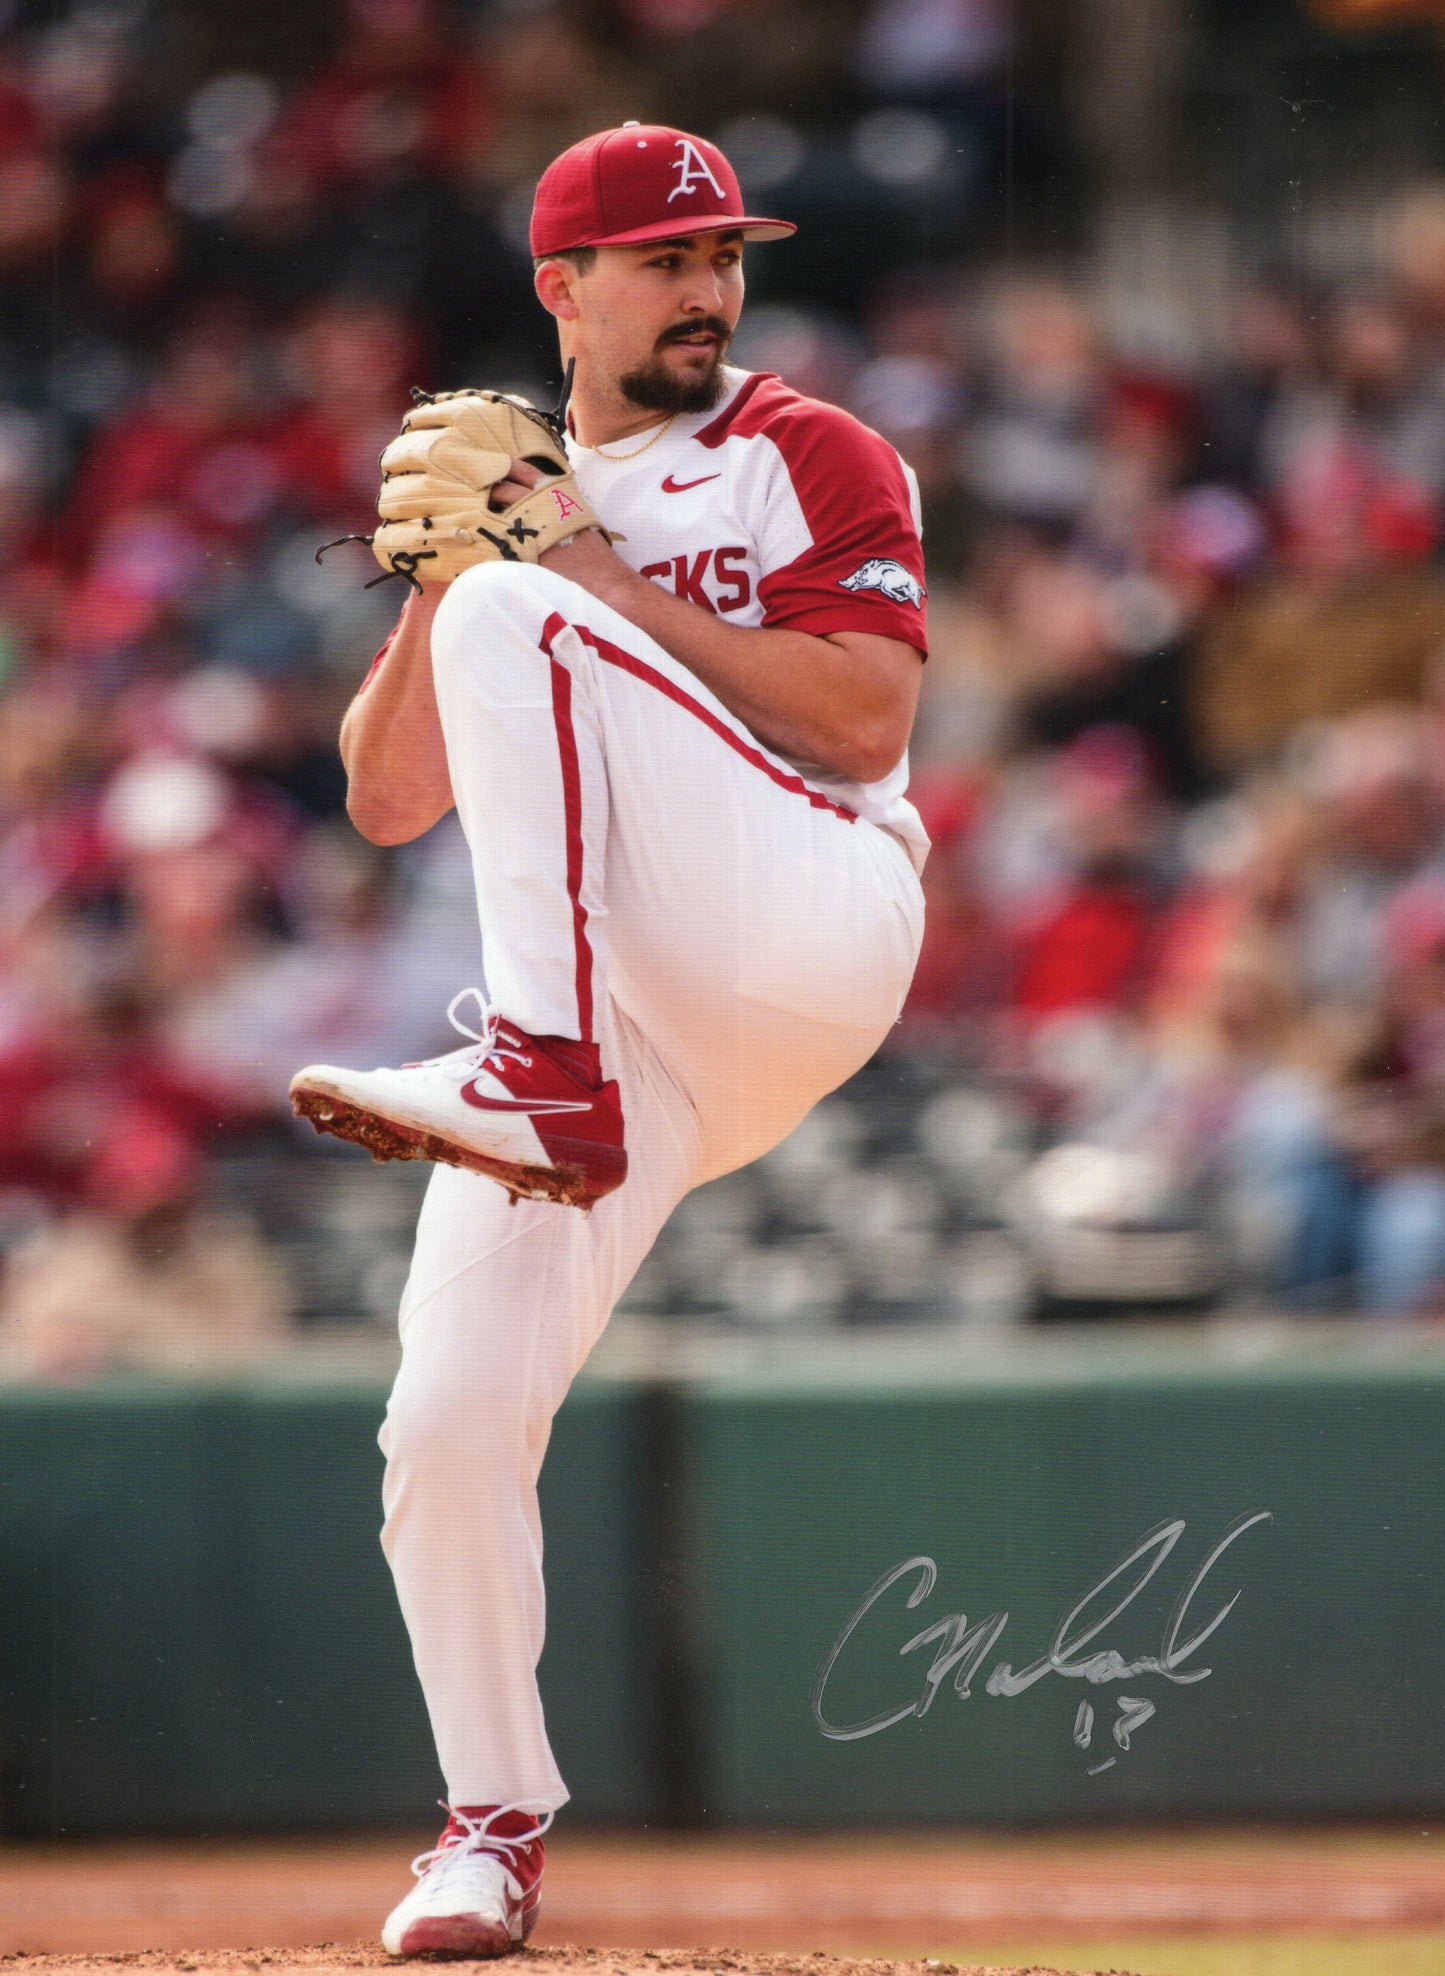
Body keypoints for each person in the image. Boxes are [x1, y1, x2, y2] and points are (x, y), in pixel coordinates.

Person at [290, 123, 929, 1957]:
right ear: (562, 287)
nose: (710, 289)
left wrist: (563, 574)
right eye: (667, 260)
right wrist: (453, 577)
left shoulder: (801, 451)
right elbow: (387, 800)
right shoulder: (521, 498)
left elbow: (867, 724)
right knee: (446, 1418)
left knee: (520, 607)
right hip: (631, 1022)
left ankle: (532, 1079)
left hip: (807, 917)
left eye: (723, 255)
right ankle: (488, 1829)